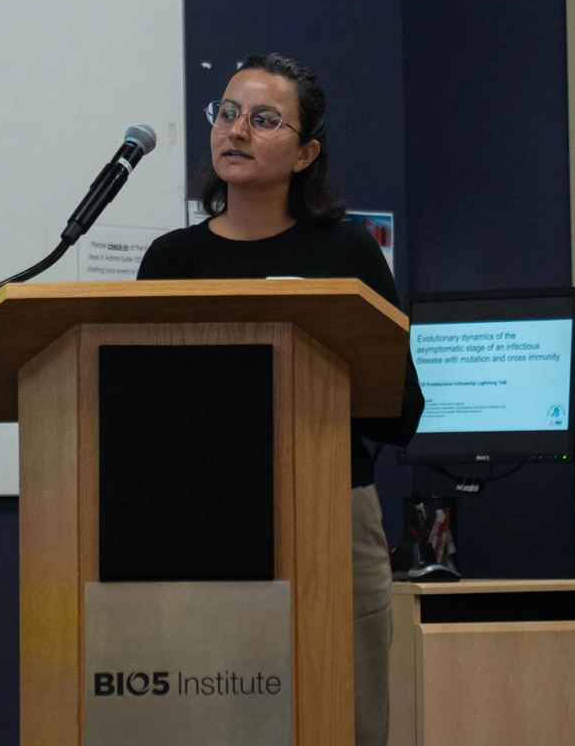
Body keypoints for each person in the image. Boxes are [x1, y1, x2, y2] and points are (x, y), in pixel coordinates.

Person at [137, 53, 424, 746]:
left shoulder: (347, 253)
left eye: (264, 120)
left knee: (343, 715)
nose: (237, 130)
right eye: (227, 113)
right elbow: (138, 407)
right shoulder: (171, 260)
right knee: (216, 719)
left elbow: (402, 406)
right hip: (203, 514)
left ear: (306, 152)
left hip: (329, 502)